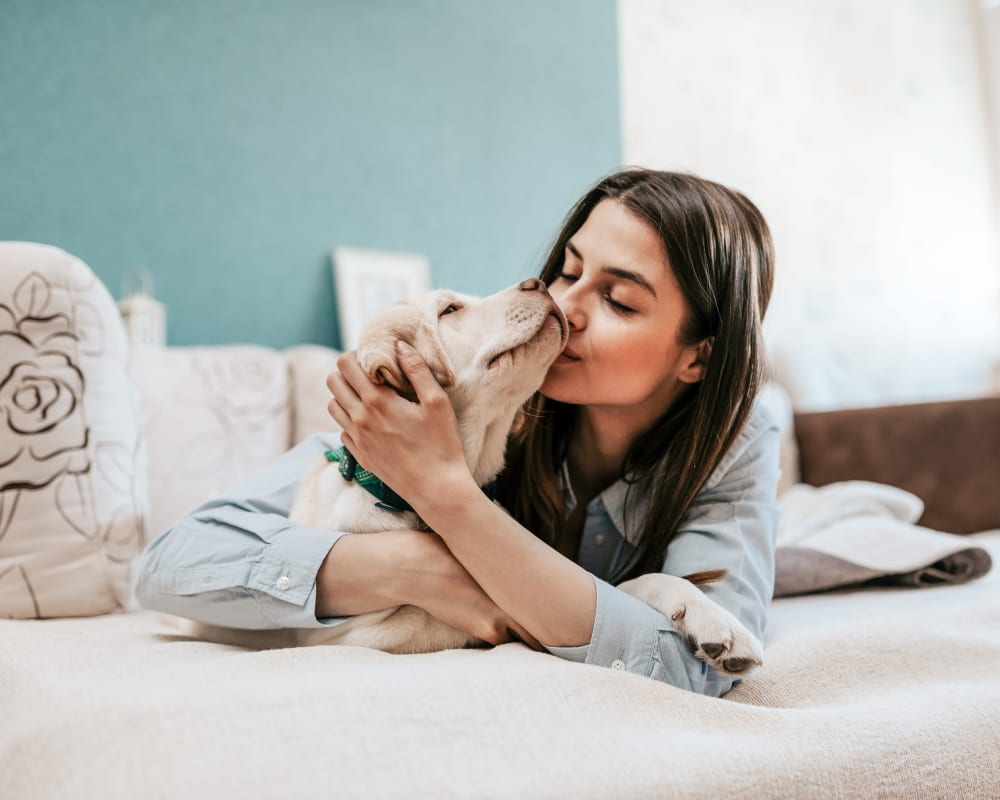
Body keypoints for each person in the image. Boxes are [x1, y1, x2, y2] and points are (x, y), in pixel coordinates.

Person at [135, 168, 780, 697]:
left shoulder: (737, 441)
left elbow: (698, 669)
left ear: (698, 355)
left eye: (619, 300)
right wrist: (414, 567)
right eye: (569, 269)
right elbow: (169, 565)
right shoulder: (470, 401)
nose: (567, 304)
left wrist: (449, 496)